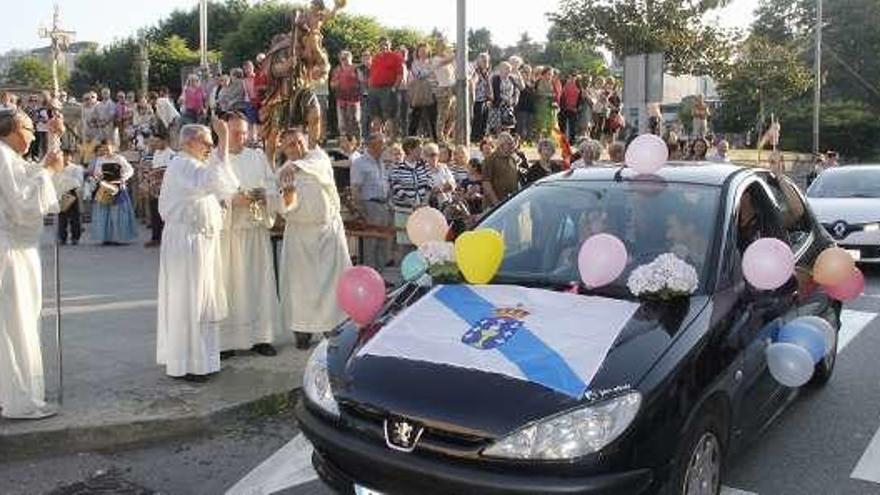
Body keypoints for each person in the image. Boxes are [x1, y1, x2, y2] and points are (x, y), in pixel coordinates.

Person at [156, 118, 239, 381]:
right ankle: (188, 362)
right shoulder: (182, 164)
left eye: (212, 142)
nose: (210, 147)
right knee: (190, 300)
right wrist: (224, 139)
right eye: (207, 142)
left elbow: (226, 185)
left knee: (204, 300)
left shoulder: (195, 164)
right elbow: (208, 181)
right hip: (187, 241)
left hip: (201, 242)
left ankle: (204, 359)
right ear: (190, 142)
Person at [0, 109, 65, 419]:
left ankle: (16, 393)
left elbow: (36, 176)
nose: (31, 134)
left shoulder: (10, 157)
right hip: (9, 252)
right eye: (29, 129)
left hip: (19, 250)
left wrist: (54, 138)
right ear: (13, 129)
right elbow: (24, 204)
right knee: (16, 325)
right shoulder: (2, 156)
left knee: (18, 323)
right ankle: (19, 400)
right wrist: (49, 172)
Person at [215, 113, 284, 358]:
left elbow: (272, 184)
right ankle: (227, 341)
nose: (241, 137)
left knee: (258, 284)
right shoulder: (216, 158)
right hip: (229, 234)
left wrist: (264, 195)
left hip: (255, 231)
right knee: (230, 286)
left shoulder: (256, 157)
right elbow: (210, 191)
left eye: (245, 133)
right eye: (235, 133)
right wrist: (233, 201)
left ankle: (261, 337)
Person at [277, 128, 351, 349]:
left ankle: (332, 325)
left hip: (328, 232)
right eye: (290, 145)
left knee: (331, 285)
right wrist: (288, 193)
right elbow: (284, 209)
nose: (297, 148)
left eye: (299, 142)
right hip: (300, 235)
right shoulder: (282, 173)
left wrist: (294, 166)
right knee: (301, 286)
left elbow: (316, 167)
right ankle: (302, 330)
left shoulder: (318, 157)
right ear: (283, 148)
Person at [350, 132, 390, 269]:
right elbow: (355, 188)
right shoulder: (359, 163)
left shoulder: (381, 162)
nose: (385, 147)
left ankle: (380, 275)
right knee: (370, 244)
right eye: (382, 144)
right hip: (370, 206)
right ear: (373, 145)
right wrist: (361, 210)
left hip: (384, 205)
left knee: (383, 243)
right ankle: (369, 275)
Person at [88, 140, 138, 245]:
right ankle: (106, 238)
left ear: (113, 148)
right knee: (105, 213)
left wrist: (123, 178)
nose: (106, 151)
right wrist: (99, 177)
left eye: (108, 148)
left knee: (119, 212)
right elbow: (97, 173)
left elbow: (130, 170)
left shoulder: (119, 158)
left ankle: (120, 238)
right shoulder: (100, 160)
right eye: (104, 148)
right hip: (105, 187)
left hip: (118, 187)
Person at [389, 137, 431, 259]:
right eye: (418, 149)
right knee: (406, 246)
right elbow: (397, 188)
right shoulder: (398, 168)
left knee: (422, 243)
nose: (421, 152)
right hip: (404, 211)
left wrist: (424, 201)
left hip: (422, 210)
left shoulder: (423, 165)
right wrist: (412, 203)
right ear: (410, 150)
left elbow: (429, 183)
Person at [368, 38, 404, 137]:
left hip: (388, 89)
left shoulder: (395, 57)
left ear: (390, 45)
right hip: (374, 89)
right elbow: (372, 74)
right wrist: (370, 86)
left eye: (386, 44)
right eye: (381, 44)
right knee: (375, 115)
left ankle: (392, 139)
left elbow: (400, 74)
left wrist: (394, 88)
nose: (384, 46)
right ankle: (378, 138)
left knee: (390, 116)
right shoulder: (375, 57)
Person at [144, 133, 174, 248]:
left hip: (166, 188)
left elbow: (169, 170)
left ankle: (167, 238)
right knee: (154, 213)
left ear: (164, 141)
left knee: (165, 214)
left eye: (157, 141)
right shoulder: (156, 154)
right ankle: (155, 238)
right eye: (154, 142)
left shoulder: (171, 155)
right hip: (154, 188)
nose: (155, 144)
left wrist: (156, 173)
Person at [481, 132, 521, 206]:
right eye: (509, 144)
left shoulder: (512, 159)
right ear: (501, 145)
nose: (512, 146)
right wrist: (496, 202)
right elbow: (486, 183)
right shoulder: (490, 160)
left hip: (510, 202)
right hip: (494, 205)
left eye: (512, 143)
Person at [54, 150, 85, 246]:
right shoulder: (57, 168)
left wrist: (68, 185)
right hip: (61, 193)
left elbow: (79, 180)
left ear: (71, 157)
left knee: (74, 217)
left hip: (72, 192)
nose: (64, 158)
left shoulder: (76, 168)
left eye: (67, 156)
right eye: (62, 156)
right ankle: (62, 237)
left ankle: (75, 237)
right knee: (62, 217)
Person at [407, 43, 437, 140]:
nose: (423, 53)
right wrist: (429, 72)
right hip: (419, 93)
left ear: (428, 52)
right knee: (416, 116)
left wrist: (427, 72)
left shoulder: (432, 62)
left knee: (433, 117)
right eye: (421, 51)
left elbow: (435, 76)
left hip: (431, 92)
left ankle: (435, 139)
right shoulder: (415, 63)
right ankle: (411, 139)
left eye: (425, 51)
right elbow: (419, 75)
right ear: (418, 52)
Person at [331, 50, 363, 138]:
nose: (344, 60)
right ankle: (344, 141)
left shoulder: (356, 68)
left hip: (354, 99)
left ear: (350, 58)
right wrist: (337, 83)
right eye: (342, 59)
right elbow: (332, 84)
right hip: (341, 99)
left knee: (354, 121)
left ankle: (357, 141)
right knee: (342, 123)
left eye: (346, 58)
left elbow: (362, 81)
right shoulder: (337, 70)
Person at [432, 39, 456, 144]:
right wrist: (457, 52)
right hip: (443, 90)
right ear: (437, 48)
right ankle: (440, 138)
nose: (444, 48)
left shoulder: (448, 59)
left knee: (452, 115)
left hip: (452, 89)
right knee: (442, 115)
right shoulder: (436, 59)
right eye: (441, 46)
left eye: (445, 46)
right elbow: (448, 60)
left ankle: (446, 136)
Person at [487, 62, 518, 136]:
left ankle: (506, 139)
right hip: (498, 104)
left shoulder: (512, 79)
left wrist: (513, 100)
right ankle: (498, 139)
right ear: (501, 69)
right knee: (497, 125)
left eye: (509, 70)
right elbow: (494, 91)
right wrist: (503, 99)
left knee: (508, 124)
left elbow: (516, 91)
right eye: (506, 69)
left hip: (509, 105)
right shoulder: (495, 79)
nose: (508, 71)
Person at [424, 142, 456, 209]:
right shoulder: (422, 170)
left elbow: (453, 184)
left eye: (437, 154)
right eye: (432, 155)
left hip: (446, 204)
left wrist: (446, 187)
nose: (435, 157)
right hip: (429, 206)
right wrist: (432, 191)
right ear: (425, 156)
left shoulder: (444, 167)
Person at [471, 52, 492, 141]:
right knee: (477, 119)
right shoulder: (475, 71)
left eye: (486, 61)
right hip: (477, 99)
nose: (485, 63)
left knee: (484, 119)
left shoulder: (486, 73)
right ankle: (475, 137)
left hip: (485, 99)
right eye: (483, 61)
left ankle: (481, 137)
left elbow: (488, 85)